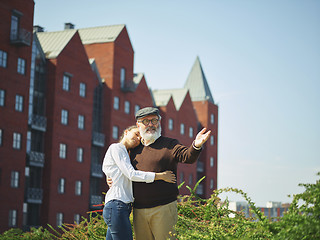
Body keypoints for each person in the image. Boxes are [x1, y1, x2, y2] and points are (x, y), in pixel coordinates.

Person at [109, 107, 211, 240]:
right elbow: (121, 169)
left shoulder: (170, 144)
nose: (150, 124)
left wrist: (196, 145)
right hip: (138, 210)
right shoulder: (132, 149)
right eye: (146, 121)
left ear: (159, 122)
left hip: (163, 208)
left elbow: (188, 157)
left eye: (154, 120)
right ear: (138, 124)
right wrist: (110, 178)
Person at [102, 125, 176, 240]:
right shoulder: (117, 148)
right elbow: (131, 174)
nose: (137, 138)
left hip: (119, 208)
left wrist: (110, 176)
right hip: (117, 206)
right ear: (126, 132)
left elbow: (111, 170)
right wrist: (160, 176)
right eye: (136, 134)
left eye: (140, 138)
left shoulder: (127, 154)